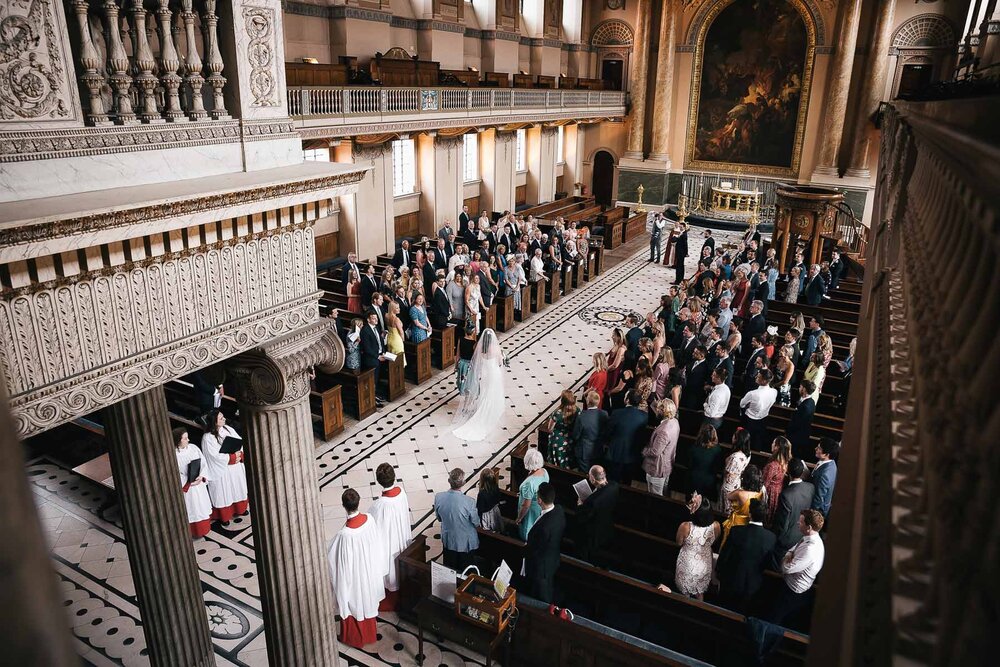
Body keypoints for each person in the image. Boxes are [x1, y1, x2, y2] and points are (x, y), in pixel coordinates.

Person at [327, 488, 391, 648]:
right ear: (358, 502)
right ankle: (369, 635)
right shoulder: (369, 519)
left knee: (355, 601)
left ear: (344, 506)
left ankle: (354, 638)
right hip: (368, 570)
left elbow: (339, 563)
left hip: (356, 577)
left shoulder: (345, 535)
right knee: (366, 601)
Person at [716, 499, 777, 613]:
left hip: (731, 581)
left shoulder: (736, 531)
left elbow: (725, 555)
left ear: (750, 514)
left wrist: (718, 572)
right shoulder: (771, 538)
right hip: (753, 586)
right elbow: (768, 562)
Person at [768, 509, 825, 625]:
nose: (798, 523)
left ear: (809, 527)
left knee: (775, 620)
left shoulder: (810, 549)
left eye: (801, 522)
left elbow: (786, 568)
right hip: (790, 587)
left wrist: (787, 557)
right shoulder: (809, 538)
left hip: (792, 592)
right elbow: (791, 550)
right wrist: (790, 555)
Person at [367, 463, 411, 611]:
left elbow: (373, 525)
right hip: (401, 534)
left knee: (390, 564)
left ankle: (392, 591)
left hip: (389, 540)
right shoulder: (402, 492)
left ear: (379, 481)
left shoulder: (379, 505)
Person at [452, 329, 507, 441]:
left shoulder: (480, 349)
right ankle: (490, 413)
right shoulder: (495, 349)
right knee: (493, 393)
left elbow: (478, 363)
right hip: (494, 374)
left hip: (485, 375)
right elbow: (500, 362)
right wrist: (503, 356)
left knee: (486, 393)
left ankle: (482, 409)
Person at [200, 410, 248, 526]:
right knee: (224, 492)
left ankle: (239, 509)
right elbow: (213, 456)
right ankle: (224, 516)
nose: (224, 419)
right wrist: (231, 458)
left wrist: (239, 454)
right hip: (222, 470)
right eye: (221, 418)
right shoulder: (208, 438)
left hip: (234, 466)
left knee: (237, 488)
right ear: (214, 422)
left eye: (223, 417)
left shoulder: (228, 429)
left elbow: (239, 441)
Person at [673, 493, 720, 600]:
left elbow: (679, 542)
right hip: (704, 563)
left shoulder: (685, 526)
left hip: (687, 563)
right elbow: (714, 541)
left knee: (684, 595)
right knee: (700, 593)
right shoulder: (716, 526)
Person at [525, 482, 566, 603]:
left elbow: (535, 549)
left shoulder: (544, 528)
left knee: (542, 594)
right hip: (553, 558)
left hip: (541, 566)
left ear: (539, 500)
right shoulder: (559, 510)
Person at [434, 468, 480, 570]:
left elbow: (439, 518)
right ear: (463, 483)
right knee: (465, 570)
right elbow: (476, 522)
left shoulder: (439, 497)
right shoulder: (469, 502)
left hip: (449, 540)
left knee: (449, 568)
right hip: (465, 543)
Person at [574, 465, 618, 565]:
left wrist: (580, 505)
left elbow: (582, 517)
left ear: (593, 478)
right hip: (608, 524)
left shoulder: (593, 501)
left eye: (589, 476)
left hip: (594, 531)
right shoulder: (614, 485)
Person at [174, 427, 213, 538]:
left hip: (198, 484)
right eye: (185, 438)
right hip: (188, 487)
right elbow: (176, 473)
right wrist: (188, 482)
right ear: (178, 440)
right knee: (192, 509)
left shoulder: (194, 448)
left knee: (201, 506)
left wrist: (201, 476)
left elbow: (203, 462)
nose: (188, 440)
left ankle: (203, 529)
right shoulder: (174, 455)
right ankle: (192, 532)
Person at [771, 458, 815, 555]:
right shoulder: (810, 487)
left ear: (787, 472)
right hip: (802, 534)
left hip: (786, 541)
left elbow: (782, 524)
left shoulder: (786, 495)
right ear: (802, 471)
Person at [604, 390, 648, 485]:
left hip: (616, 453)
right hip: (632, 455)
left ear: (627, 400)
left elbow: (607, 432)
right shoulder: (644, 416)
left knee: (612, 481)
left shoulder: (617, 413)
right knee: (627, 483)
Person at [641, 399, 680, 495]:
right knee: (663, 490)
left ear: (663, 411)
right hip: (667, 464)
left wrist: (643, 451)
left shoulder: (664, 431)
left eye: (658, 409)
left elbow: (655, 452)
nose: (657, 411)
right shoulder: (675, 421)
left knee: (654, 494)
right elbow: (654, 407)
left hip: (657, 468)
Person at [721, 464, 764, 545]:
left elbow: (728, 496)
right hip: (749, 523)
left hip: (737, 523)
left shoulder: (740, 494)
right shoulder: (760, 494)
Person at [740, 368, 778, 451]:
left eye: (759, 376)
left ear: (764, 381)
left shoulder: (752, 394)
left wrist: (748, 406)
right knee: (757, 443)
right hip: (763, 420)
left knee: (745, 443)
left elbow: (742, 404)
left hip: (749, 421)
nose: (756, 377)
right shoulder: (774, 392)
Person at [517, 448, 550, 540]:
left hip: (530, 510)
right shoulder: (544, 471)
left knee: (527, 530)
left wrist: (519, 518)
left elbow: (526, 506)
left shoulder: (529, 483)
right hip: (539, 506)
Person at [572, 390, 608, 472]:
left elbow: (575, 435)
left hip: (584, 451)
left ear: (587, 401)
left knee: (584, 474)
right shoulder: (604, 414)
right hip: (598, 449)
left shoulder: (582, 416)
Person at [687, 424, 723, 501]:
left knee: (692, 501)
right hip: (709, 480)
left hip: (695, 479)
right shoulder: (718, 450)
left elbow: (690, 464)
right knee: (705, 501)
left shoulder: (694, 448)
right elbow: (717, 467)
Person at [721, 429, 752, 513]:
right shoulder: (748, 452)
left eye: (734, 436)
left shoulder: (735, 457)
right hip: (738, 483)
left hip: (729, 486)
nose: (732, 437)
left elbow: (729, 475)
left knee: (727, 508)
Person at [360, 311, 387, 409]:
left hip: (379, 356)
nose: (376, 320)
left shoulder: (376, 327)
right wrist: (377, 356)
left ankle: (376, 396)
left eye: (376, 318)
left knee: (377, 379)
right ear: (368, 319)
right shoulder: (365, 330)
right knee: (372, 380)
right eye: (373, 318)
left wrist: (383, 351)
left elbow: (380, 340)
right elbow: (367, 348)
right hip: (371, 359)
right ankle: (373, 400)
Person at [546, 390, 578, 468]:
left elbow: (549, 428)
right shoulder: (577, 410)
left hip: (558, 440)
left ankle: (556, 466)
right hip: (571, 439)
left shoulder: (558, 413)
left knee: (556, 447)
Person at [811, 438, 840, 518]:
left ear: (827, 454)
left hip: (818, 511)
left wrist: (810, 515)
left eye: (819, 448)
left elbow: (819, 498)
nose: (815, 449)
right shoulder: (831, 463)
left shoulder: (825, 474)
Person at [476, 467, 503, 532]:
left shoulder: (482, 493)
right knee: (496, 525)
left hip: (486, 515)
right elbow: (498, 498)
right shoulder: (495, 486)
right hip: (495, 510)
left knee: (487, 529)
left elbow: (480, 508)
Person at [455, 322, 477, 393]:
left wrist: (456, 365)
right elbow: (474, 357)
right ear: (473, 332)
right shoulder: (474, 343)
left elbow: (457, 354)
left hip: (461, 363)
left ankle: (463, 392)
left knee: (462, 380)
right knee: (469, 381)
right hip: (469, 365)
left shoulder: (460, 339)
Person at [385, 301, 406, 367]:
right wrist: (403, 341)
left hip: (389, 339)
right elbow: (401, 332)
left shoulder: (386, 316)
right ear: (392, 309)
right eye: (397, 308)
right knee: (399, 359)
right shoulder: (396, 319)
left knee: (392, 358)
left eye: (399, 307)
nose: (399, 309)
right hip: (397, 340)